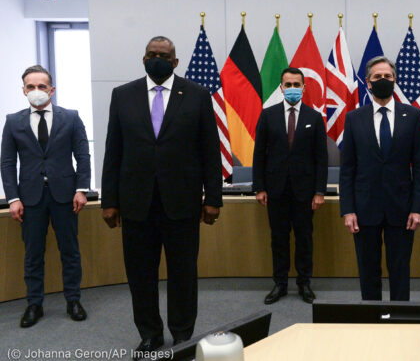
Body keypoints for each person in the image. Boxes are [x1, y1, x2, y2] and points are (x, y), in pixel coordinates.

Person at [101, 36, 222, 354]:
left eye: (164, 55)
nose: (157, 59)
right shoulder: (123, 95)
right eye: (152, 54)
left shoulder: (197, 95)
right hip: (136, 203)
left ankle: (182, 334)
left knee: (183, 273)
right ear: (143, 59)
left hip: (182, 202)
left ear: (175, 62)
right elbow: (113, 150)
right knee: (140, 274)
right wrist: (109, 201)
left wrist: (213, 198)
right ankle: (150, 334)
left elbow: (210, 150)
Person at [1, 65, 90, 328]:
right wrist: (13, 198)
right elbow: (7, 163)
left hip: (65, 196)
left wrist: (81, 189)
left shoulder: (71, 117)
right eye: (31, 86)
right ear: (23, 90)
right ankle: (34, 304)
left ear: (52, 90)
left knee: (70, 251)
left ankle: (73, 300)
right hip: (30, 198)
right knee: (33, 254)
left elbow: (82, 155)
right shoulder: (13, 121)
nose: (36, 90)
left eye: (42, 86)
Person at [339, 56, 420, 301]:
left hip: (402, 209)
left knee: (400, 270)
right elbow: (347, 169)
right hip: (364, 208)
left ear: (395, 80)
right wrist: (348, 210)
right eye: (377, 77)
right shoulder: (354, 118)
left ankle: (400, 317)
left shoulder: (414, 116)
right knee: (368, 270)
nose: (383, 80)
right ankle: (372, 317)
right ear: (368, 82)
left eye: (387, 76)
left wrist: (418, 208)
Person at [252, 67, 328, 305]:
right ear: (281, 87)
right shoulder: (268, 115)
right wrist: (259, 187)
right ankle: (280, 283)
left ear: (304, 88)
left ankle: (304, 283)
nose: (293, 88)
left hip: (305, 191)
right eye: (288, 85)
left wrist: (319, 191)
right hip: (276, 189)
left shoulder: (314, 117)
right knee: (278, 238)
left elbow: (321, 158)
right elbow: (259, 154)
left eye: (297, 84)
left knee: (304, 238)